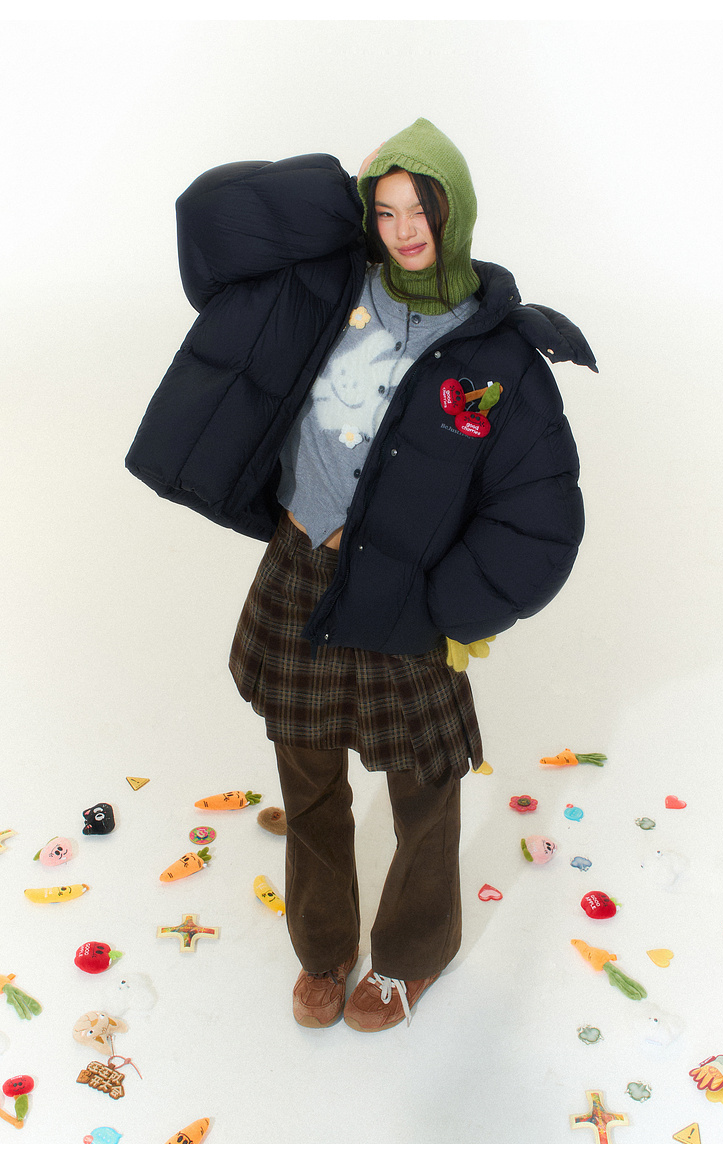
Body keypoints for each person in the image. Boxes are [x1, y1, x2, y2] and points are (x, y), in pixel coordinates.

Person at [126, 118, 596, 1033]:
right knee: (307, 777)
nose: (404, 229)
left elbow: (539, 518)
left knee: (426, 787)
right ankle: (323, 947)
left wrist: (448, 606)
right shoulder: (324, 284)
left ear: (456, 214)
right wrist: (338, 194)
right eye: (385, 210)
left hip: (405, 596)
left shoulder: (500, 356)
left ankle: (413, 955)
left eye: (421, 209)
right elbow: (211, 220)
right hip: (300, 568)